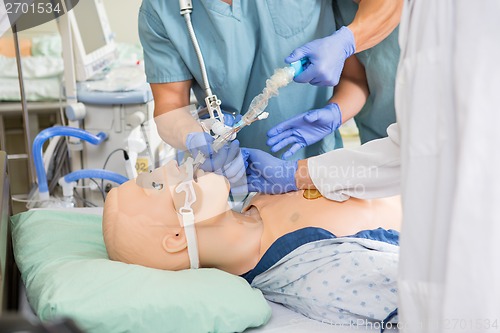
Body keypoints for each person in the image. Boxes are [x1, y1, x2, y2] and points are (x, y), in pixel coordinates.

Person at [244, 1, 500, 332]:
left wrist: (347, 40)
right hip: (432, 262)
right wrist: (293, 174)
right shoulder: (427, 20)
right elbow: (412, 146)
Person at [102, 161, 402, 325]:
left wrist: (299, 170)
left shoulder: (259, 197)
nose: (171, 165)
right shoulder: (306, 270)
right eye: (155, 185)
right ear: (176, 239)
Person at [139, 0, 402, 166]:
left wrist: (335, 114)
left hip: (317, 168)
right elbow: (170, 105)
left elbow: (356, 79)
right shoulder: (162, 9)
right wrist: (194, 137)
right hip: (234, 176)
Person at [268, 0, 402, 158]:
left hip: (428, 134)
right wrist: (336, 112)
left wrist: (346, 41)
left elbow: (392, 6)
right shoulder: (339, 9)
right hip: (379, 144)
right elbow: (356, 79)